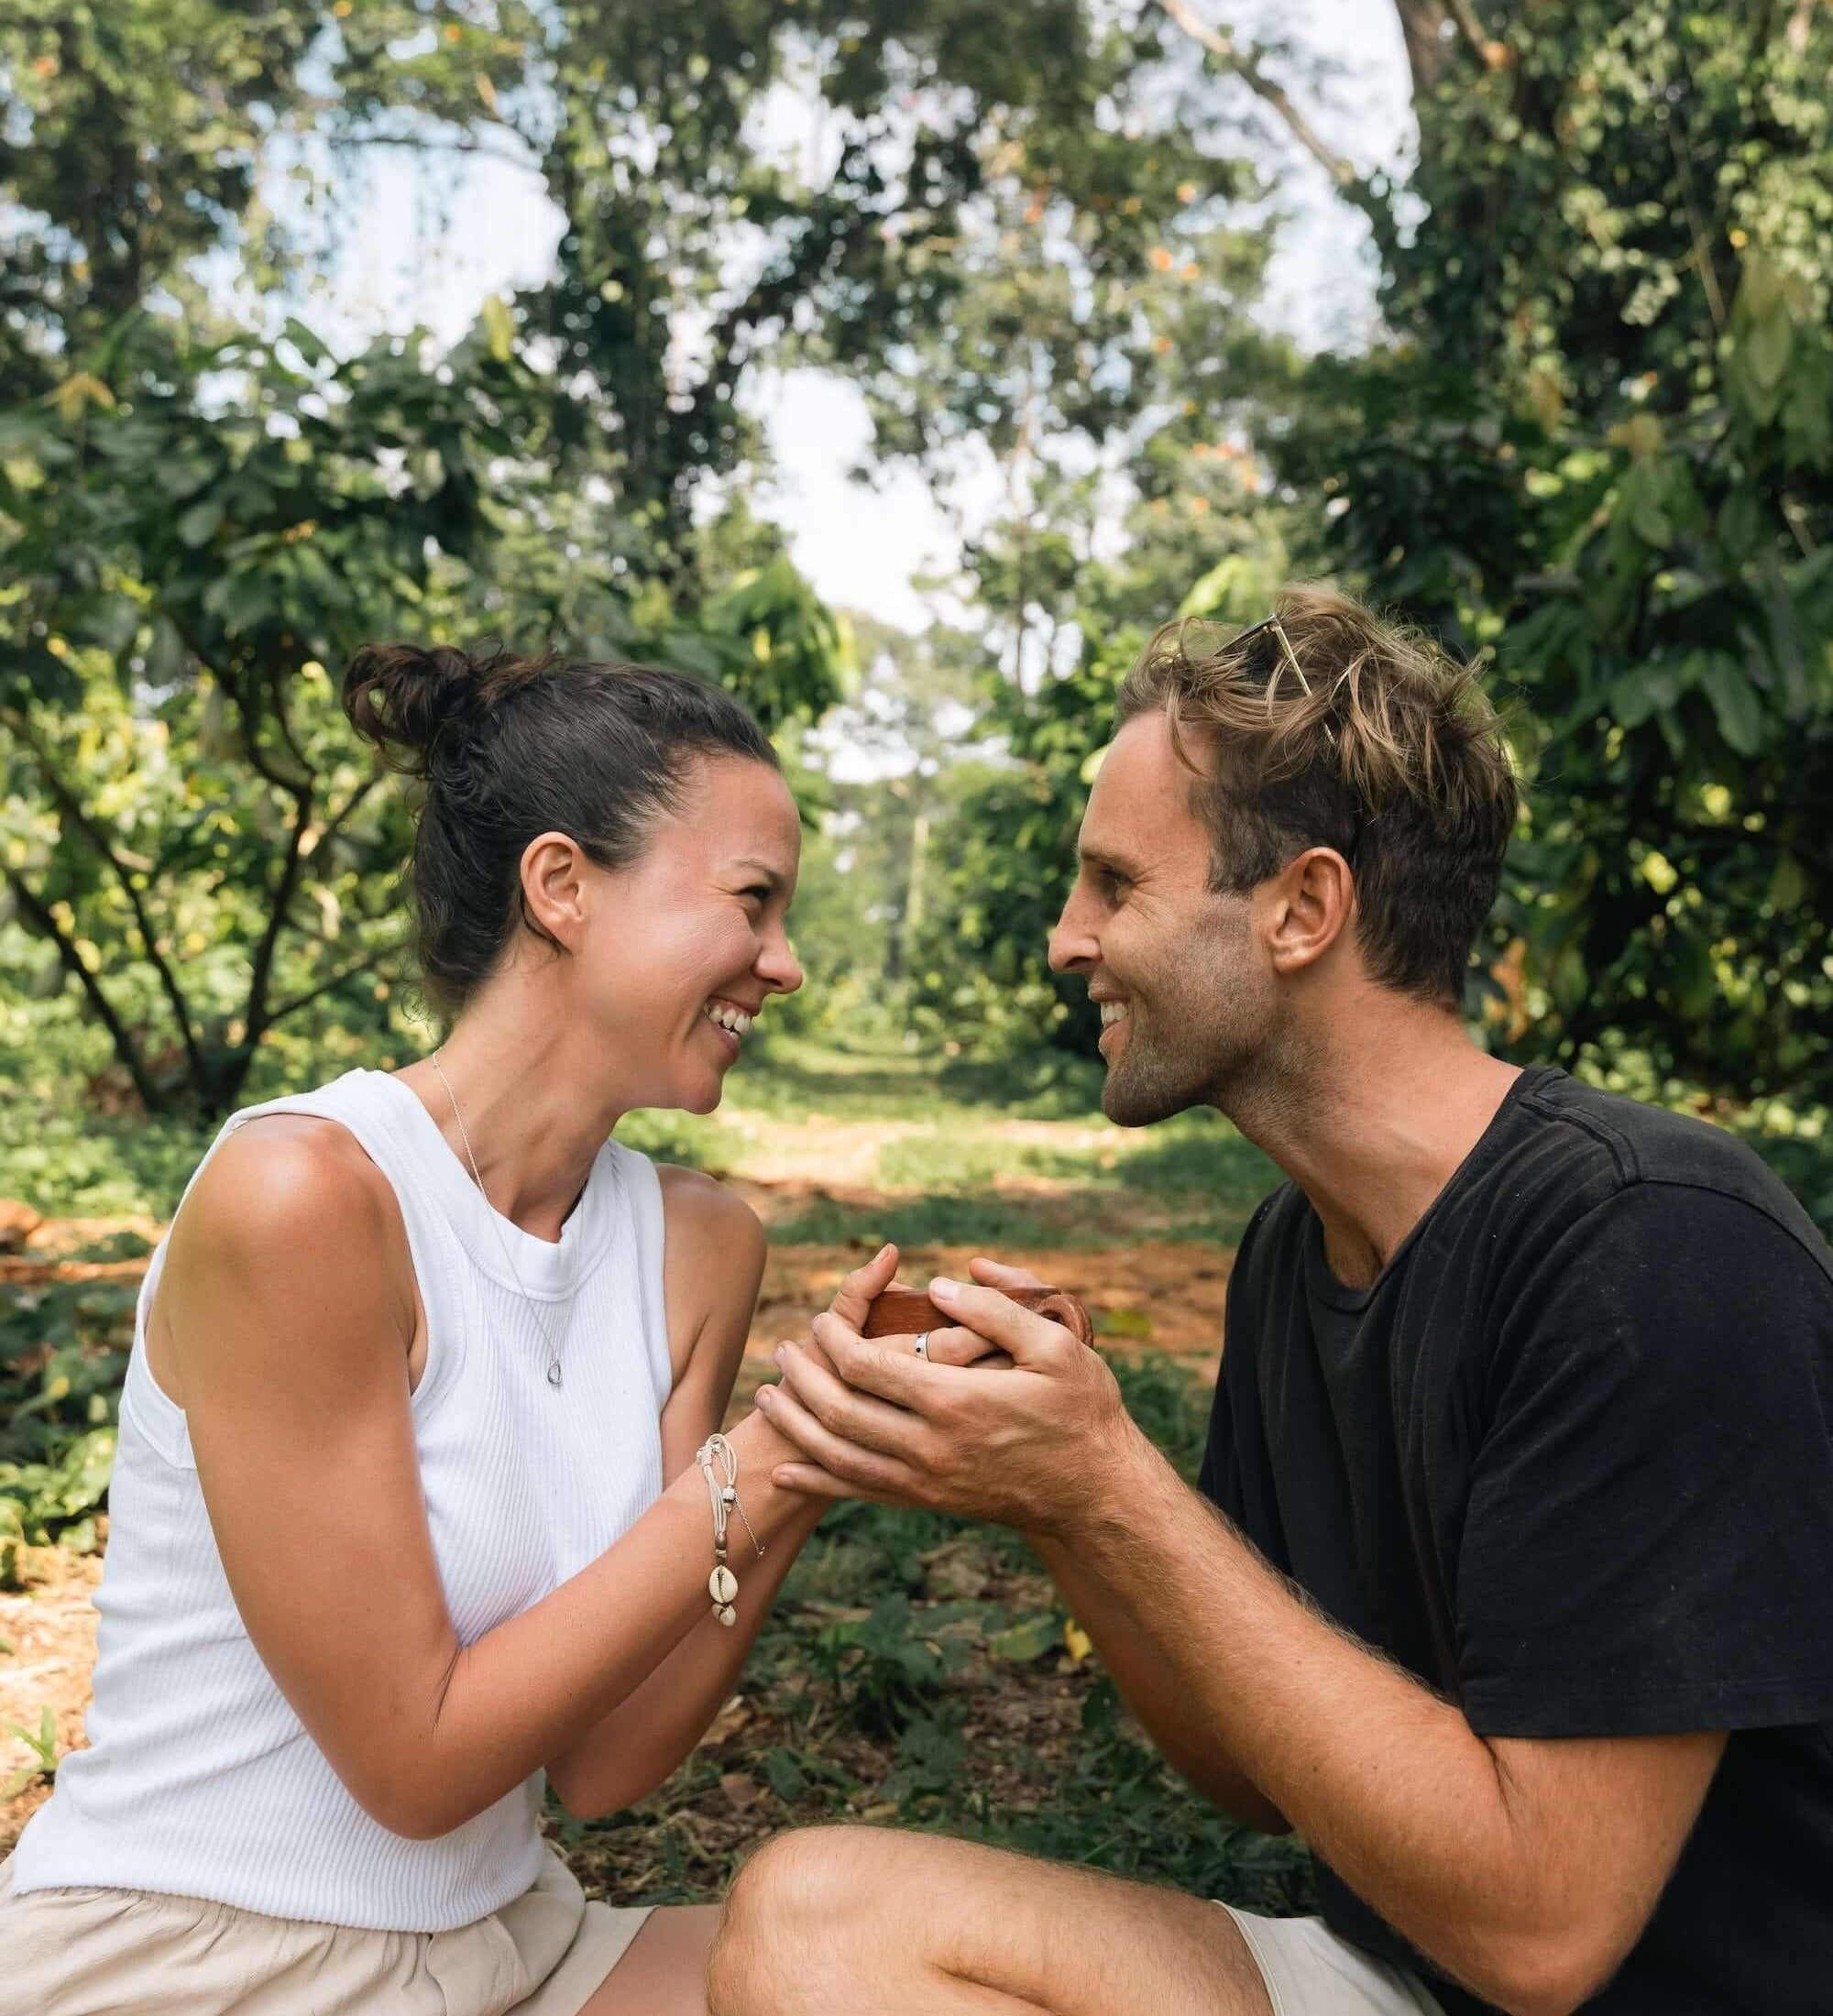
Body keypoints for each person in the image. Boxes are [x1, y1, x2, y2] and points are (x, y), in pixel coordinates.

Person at [717, 588, 1833, 2016]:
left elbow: (1542, 1939)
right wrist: (1059, 1498)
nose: (1068, 939)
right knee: (814, 1921)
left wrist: (1115, 1488)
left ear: (1303, 907)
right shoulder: (1294, 1249)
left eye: (1116, 885)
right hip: (1417, 1980)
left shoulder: (1653, 1245)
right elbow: (1250, 1774)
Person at [0, 641, 903, 2016]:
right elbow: (417, 1766)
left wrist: (828, 1448)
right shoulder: (306, 1197)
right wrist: (764, 1461)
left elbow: (604, 1767)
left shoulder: (699, 1248)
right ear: (563, 887)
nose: (781, 964)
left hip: (508, 1948)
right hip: (197, 1960)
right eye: (752, 902)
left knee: (923, 1974)